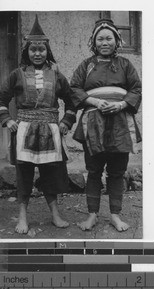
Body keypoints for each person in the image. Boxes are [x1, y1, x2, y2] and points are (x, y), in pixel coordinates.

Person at [0, 15, 76, 234]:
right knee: (24, 175)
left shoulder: (57, 76)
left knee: (50, 174)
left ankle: (55, 214)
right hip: (24, 131)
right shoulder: (17, 75)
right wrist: (8, 120)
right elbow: (2, 99)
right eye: (33, 50)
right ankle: (22, 216)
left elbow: (71, 102)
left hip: (50, 132)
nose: (37, 54)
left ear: (47, 51)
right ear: (27, 52)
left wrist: (66, 122)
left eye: (41, 50)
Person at [70, 18, 142, 232]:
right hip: (93, 123)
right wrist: (94, 101)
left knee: (117, 172)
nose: (104, 42)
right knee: (93, 171)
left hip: (120, 122)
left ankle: (115, 215)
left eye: (108, 38)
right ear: (94, 42)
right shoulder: (86, 65)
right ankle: (92, 215)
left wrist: (121, 104)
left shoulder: (125, 65)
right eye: (100, 38)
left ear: (116, 40)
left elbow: (136, 89)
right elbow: (74, 88)